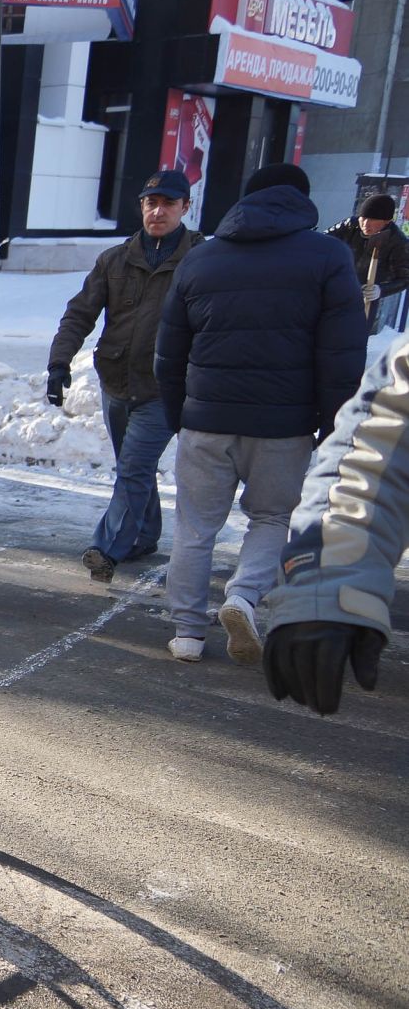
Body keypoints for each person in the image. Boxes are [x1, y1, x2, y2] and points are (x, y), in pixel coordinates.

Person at [154, 162, 366, 665]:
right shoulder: (329, 256)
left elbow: (168, 351)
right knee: (271, 518)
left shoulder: (201, 259)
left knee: (194, 525)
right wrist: (334, 424)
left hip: (205, 419)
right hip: (284, 424)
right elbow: (342, 355)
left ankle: (186, 632)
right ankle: (243, 597)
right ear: (302, 200)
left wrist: (178, 414)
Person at [48, 169, 203, 583]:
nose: (158, 211)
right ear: (141, 207)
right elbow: (80, 312)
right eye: (151, 203)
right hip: (116, 381)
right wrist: (58, 362)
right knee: (134, 465)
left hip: (166, 388)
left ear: (185, 207)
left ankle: (107, 548)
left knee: (134, 465)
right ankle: (146, 534)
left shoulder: (201, 259)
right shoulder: (115, 259)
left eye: (168, 203)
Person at [262, 331, 406, 714]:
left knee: (257, 517)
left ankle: (203, 619)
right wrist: (331, 571)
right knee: (264, 517)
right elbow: (389, 427)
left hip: (225, 416)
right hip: (281, 419)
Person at [324, 193, 409, 333]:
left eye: (372, 220)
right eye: (363, 218)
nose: (365, 224)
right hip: (336, 289)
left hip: (365, 296)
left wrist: (380, 289)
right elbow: (323, 240)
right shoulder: (350, 225)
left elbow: (405, 278)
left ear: (386, 221)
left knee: (354, 338)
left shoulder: (398, 242)